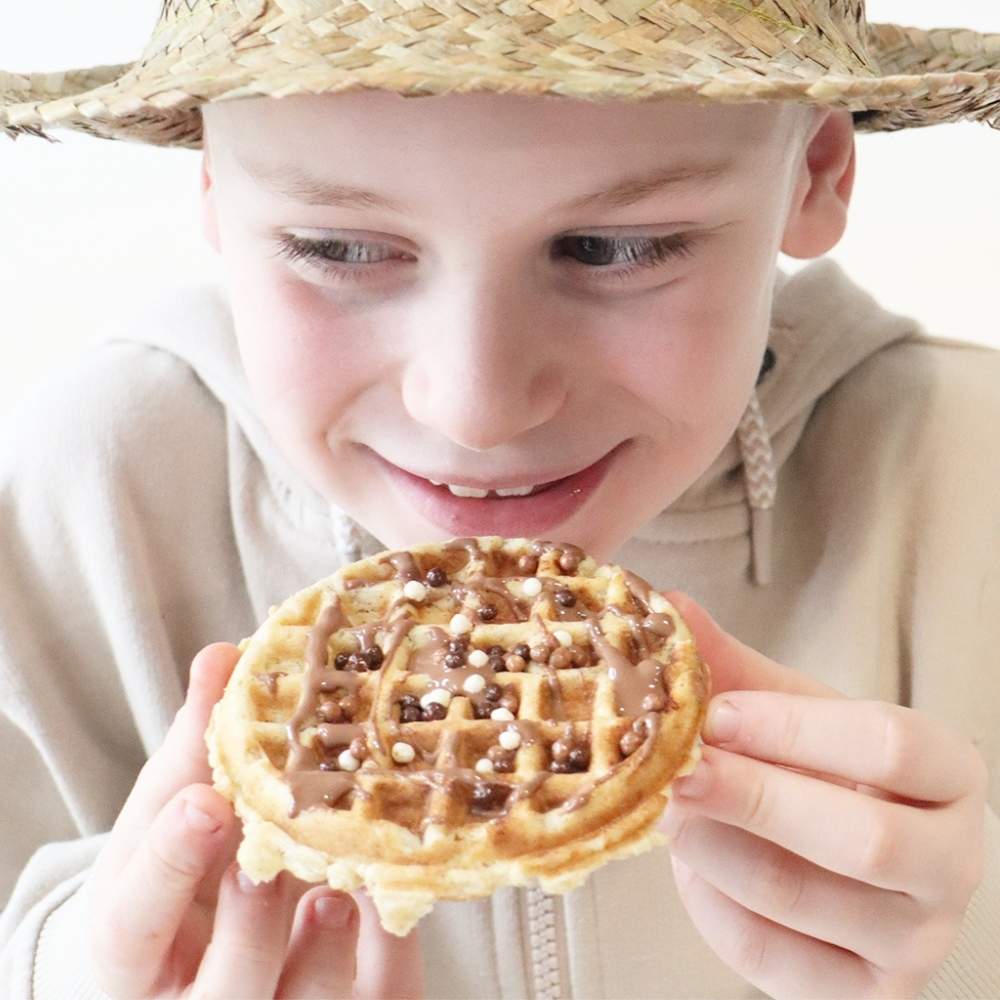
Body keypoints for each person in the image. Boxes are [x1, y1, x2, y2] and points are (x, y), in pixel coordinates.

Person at [2, 2, 999, 997]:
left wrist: (962, 946)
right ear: (212, 180)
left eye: (612, 248)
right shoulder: (86, 496)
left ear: (816, 170)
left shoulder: (967, 473)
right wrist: (72, 969)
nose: (474, 406)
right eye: (339, 248)